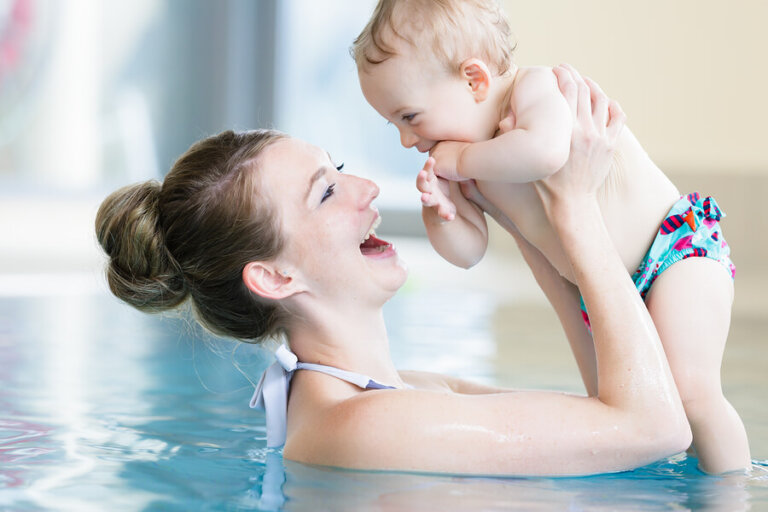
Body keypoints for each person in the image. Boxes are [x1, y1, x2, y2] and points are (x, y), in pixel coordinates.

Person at [95, 67, 691, 476]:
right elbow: (655, 428)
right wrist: (576, 209)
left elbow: (612, 413)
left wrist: (530, 226)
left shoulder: (401, 392)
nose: (367, 188)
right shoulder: (363, 426)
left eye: (339, 169)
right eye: (326, 193)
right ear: (275, 278)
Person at [353, 0, 749, 474]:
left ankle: (734, 491)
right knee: (629, 409)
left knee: (691, 394)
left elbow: (544, 152)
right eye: (394, 123)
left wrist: (461, 163)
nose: (405, 139)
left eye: (410, 116)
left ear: (474, 80)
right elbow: (468, 253)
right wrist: (440, 212)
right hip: (601, 288)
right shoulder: (461, 159)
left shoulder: (532, 90)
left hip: (675, 252)